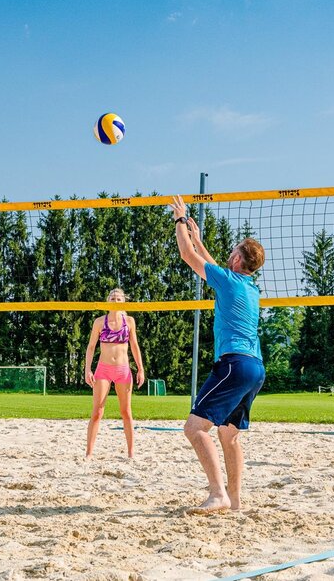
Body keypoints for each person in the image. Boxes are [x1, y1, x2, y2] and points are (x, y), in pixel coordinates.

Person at [169, 195, 266, 514]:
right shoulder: (250, 287)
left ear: (238, 260)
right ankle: (235, 502)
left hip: (234, 365)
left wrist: (180, 220)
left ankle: (218, 494)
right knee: (229, 435)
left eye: (234, 249)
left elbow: (186, 256)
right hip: (255, 368)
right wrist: (199, 240)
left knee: (194, 429)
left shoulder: (229, 280)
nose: (230, 251)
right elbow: (214, 269)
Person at [83, 288, 147, 458]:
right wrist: (87, 369)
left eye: (119, 298)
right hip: (103, 369)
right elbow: (90, 348)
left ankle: (131, 453)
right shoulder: (99, 322)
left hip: (123, 370)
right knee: (97, 412)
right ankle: (89, 453)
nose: (115, 300)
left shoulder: (129, 321)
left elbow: (134, 346)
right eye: (112, 297)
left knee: (126, 411)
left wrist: (140, 368)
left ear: (123, 301)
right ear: (107, 301)